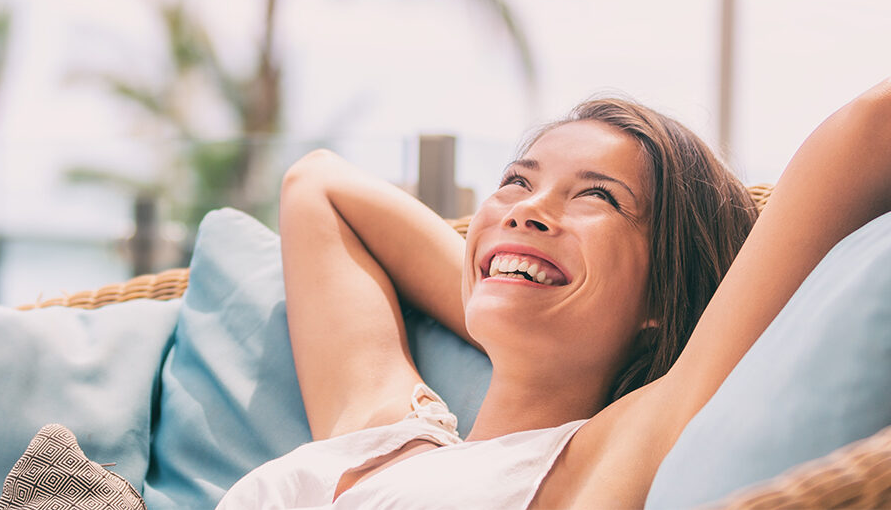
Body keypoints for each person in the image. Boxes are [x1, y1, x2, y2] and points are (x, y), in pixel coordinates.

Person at [218, 79, 891, 508]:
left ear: (663, 299)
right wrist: (513, 280)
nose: (526, 209)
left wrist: (536, 286)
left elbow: (869, 132)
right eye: (516, 181)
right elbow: (317, 185)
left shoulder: (603, 458)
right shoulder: (388, 430)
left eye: (598, 195)